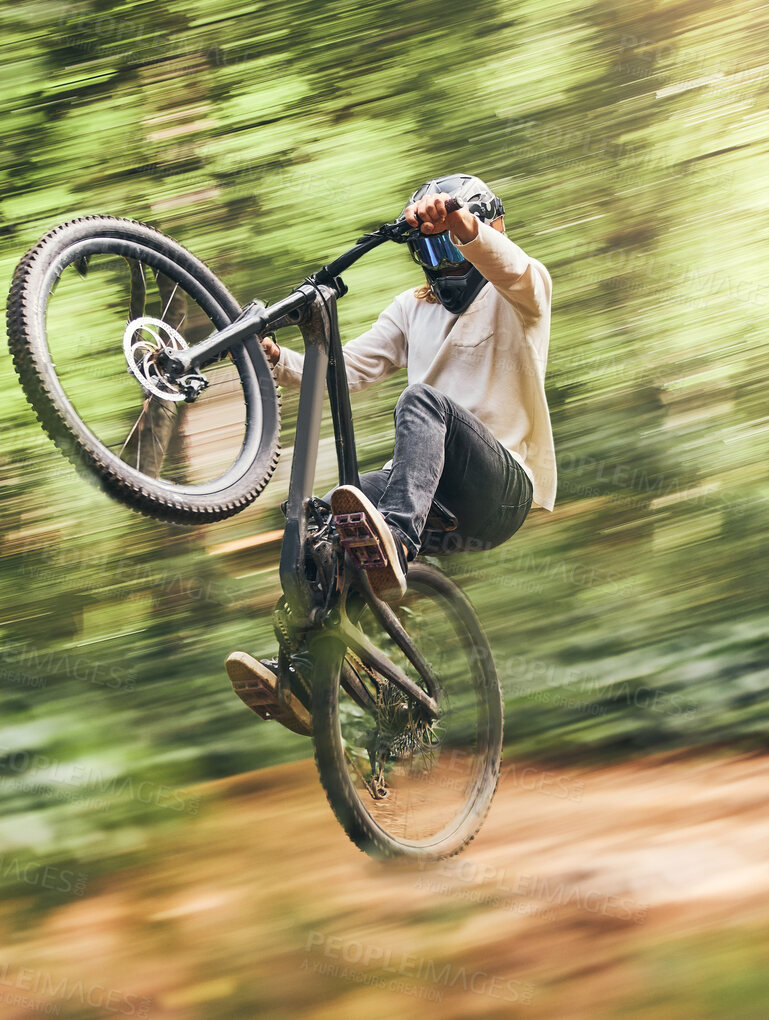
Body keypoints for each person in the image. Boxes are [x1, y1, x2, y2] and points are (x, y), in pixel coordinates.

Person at [224, 173, 556, 713]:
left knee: (420, 401)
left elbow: (512, 267)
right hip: (434, 497)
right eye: (430, 246)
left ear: (489, 227)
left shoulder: (521, 294)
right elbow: (346, 368)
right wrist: (280, 359)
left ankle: (395, 542)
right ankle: (315, 674)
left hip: (500, 487)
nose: (444, 258)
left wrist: (459, 222)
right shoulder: (412, 307)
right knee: (321, 516)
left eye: (450, 241)